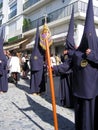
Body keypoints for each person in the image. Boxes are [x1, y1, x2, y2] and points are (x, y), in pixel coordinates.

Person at [53, 1, 98, 130]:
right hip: (78, 91)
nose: (88, 39)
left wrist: (93, 56)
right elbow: (67, 65)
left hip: (93, 91)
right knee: (79, 116)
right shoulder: (77, 53)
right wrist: (53, 68)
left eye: (91, 36)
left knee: (91, 116)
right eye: (86, 36)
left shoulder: (96, 52)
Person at [53, 7, 75, 108]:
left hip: (69, 76)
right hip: (65, 75)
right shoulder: (68, 53)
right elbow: (64, 61)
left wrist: (55, 68)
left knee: (69, 90)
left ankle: (69, 102)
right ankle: (66, 101)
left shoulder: (73, 53)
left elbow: (67, 66)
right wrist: (63, 55)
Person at [30, 22, 46, 95]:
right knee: (35, 79)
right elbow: (32, 59)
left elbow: (44, 57)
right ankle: (34, 90)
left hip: (40, 68)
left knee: (40, 79)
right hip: (36, 68)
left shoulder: (42, 50)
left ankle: (39, 90)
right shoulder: (35, 51)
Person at [0, 27, 8, 93]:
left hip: (3, 70)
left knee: (2, 79)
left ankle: (2, 89)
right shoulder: (3, 55)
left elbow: (5, 63)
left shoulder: (3, 56)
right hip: (2, 70)